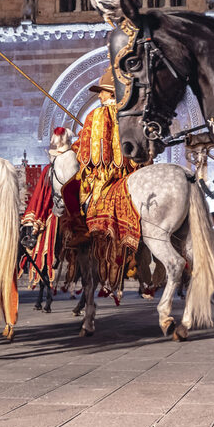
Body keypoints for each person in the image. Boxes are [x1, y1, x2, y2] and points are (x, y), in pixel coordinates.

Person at [74, 68, 143, 290]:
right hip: (131, 171)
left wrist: (76, 145)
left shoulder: (96, 116)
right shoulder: (130, 115)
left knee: (83, 199)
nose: (99, 96)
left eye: (102, 92)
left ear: (110, 93)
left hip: (105, 174)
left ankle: (89, 230)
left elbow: (86, 153)